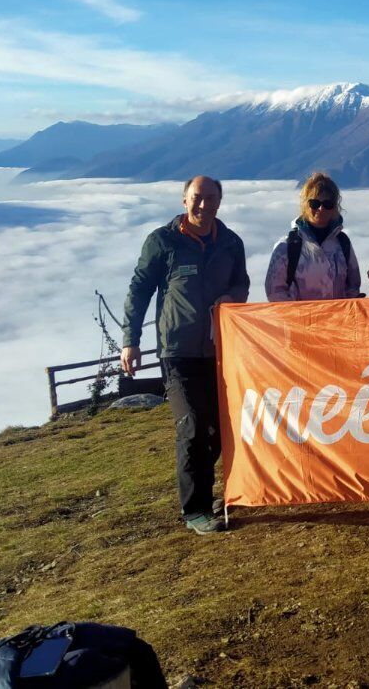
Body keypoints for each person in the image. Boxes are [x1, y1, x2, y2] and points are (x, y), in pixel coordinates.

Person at [120, 176, 250, 535]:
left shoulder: (230, 242)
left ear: (220, 202)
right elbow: (139, 289)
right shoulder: (163, 242)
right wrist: (130, 339)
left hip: (221, 349)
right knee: (192, 426)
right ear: (184, 200)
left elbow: (242, 283)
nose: (204, 205)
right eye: (197, 198)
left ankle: (207, 496)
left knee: (220, 429)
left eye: (211, 198)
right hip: (178, 352)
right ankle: (194, 508)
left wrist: (232, 298)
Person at [265, 172, 362, 301]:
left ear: (334, 207)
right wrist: (298, 317)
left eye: (327, 204)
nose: (321, 209)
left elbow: (353, 285)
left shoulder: (343, 242)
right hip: (299, 320)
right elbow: (275, 292)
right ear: (305, 205)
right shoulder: (287, 247)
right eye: (315, 203)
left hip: (337, 320)